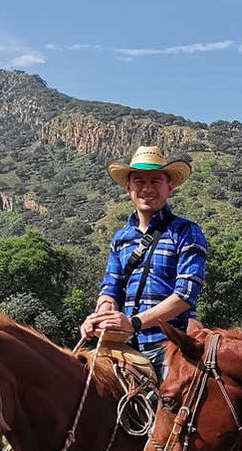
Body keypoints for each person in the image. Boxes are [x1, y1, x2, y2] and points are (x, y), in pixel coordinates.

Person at [79, 145, 208, 380]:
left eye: (155, 181)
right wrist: (101, 315)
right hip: (124, 345)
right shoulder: (121, 238)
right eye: (139, 181)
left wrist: (134, 323)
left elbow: (186, 295)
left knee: (176, 410)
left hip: (169, 346)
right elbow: (110, 288)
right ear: (128, 187)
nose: (147, 189)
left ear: (169, 187)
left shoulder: (187, 232)